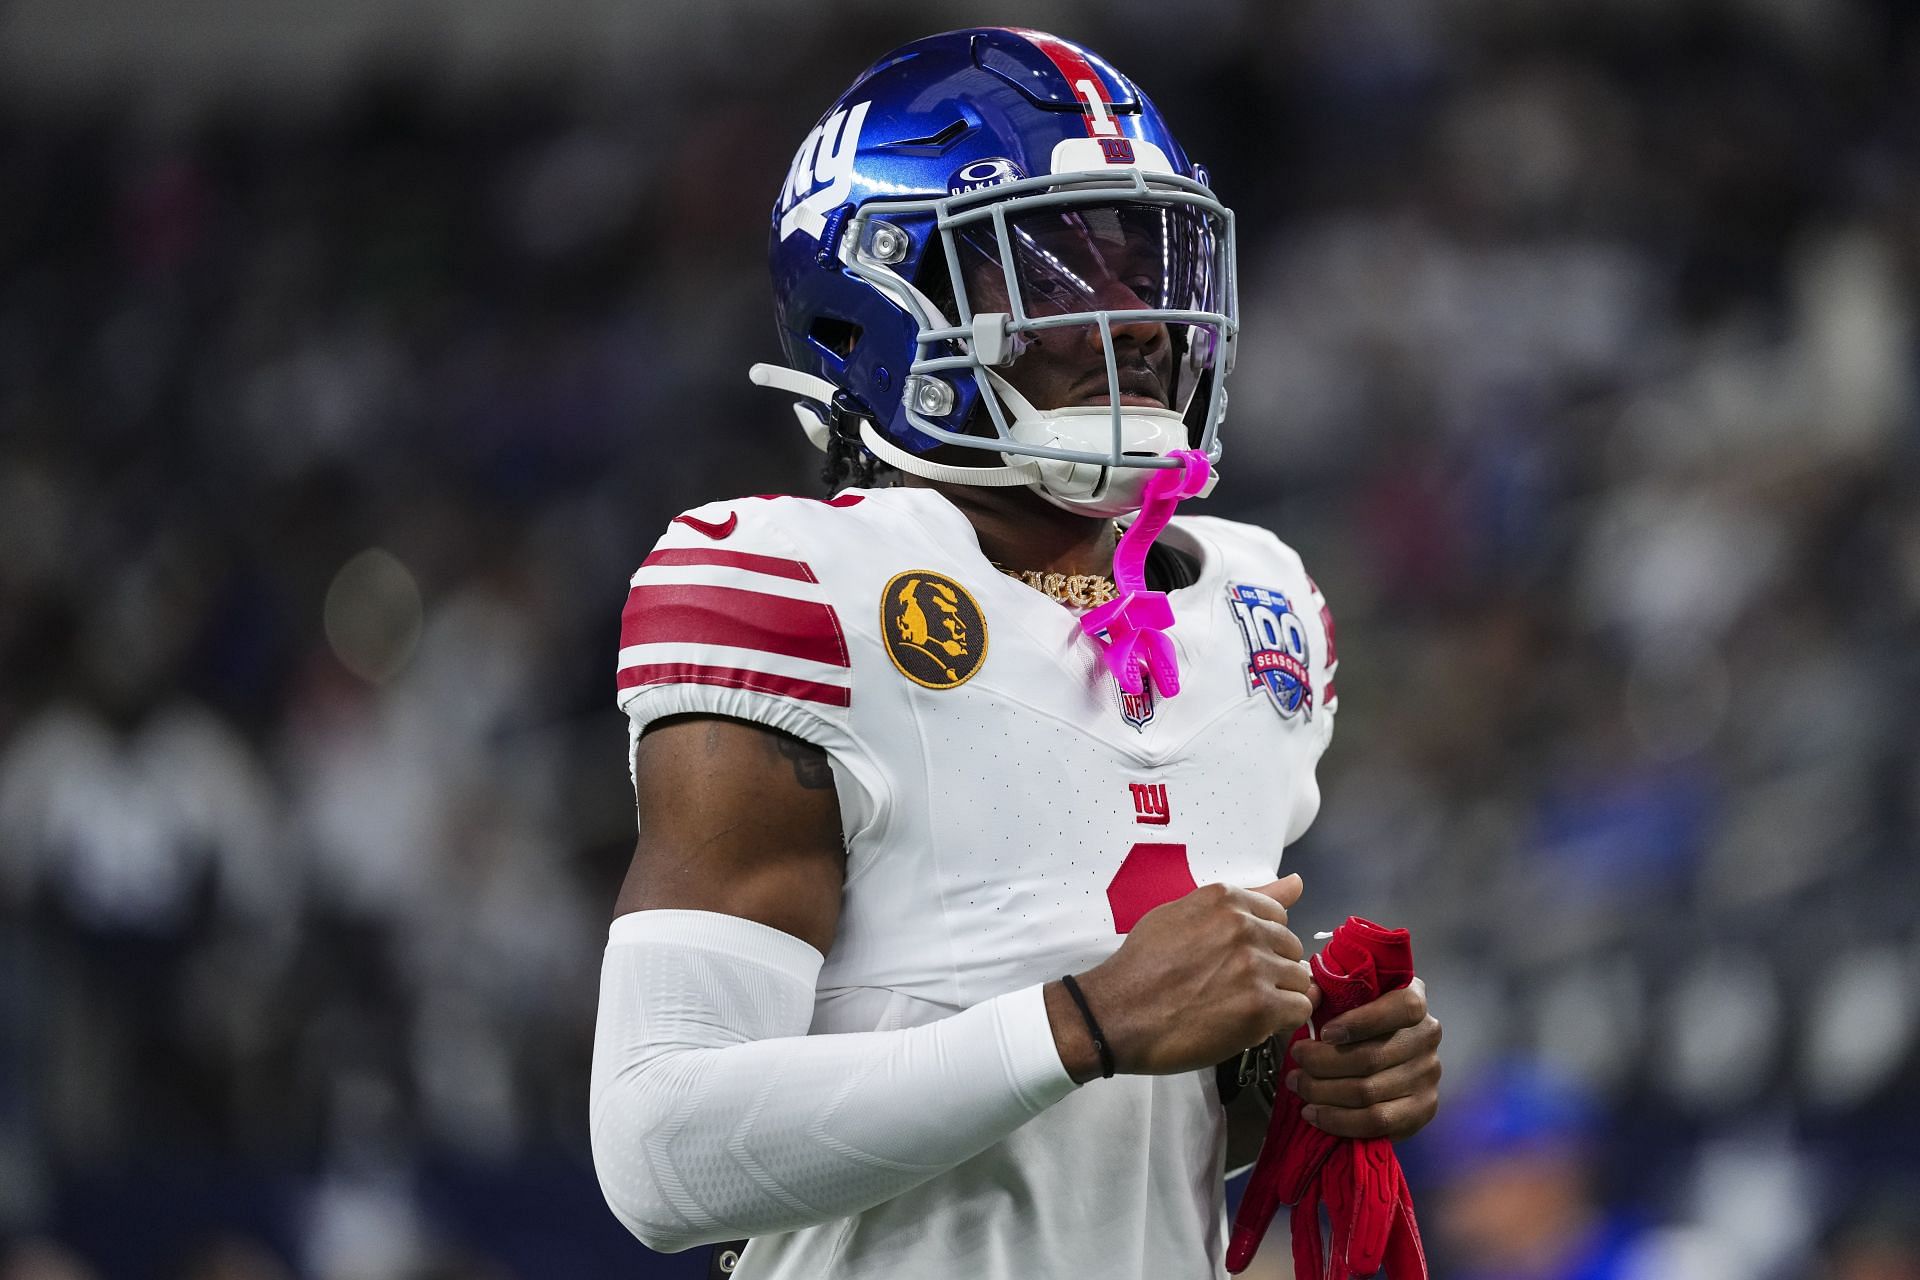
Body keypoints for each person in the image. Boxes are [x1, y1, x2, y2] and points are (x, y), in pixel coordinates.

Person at [589, 28, 1441, 1279]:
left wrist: (1291, 1068)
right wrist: (1084, 1019)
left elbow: (1130, 1123)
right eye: (1055, 263)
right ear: (877, 298)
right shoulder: (791, 582)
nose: (1141, 318)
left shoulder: (1259, 605)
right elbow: (661, 1150)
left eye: (1148, 259)